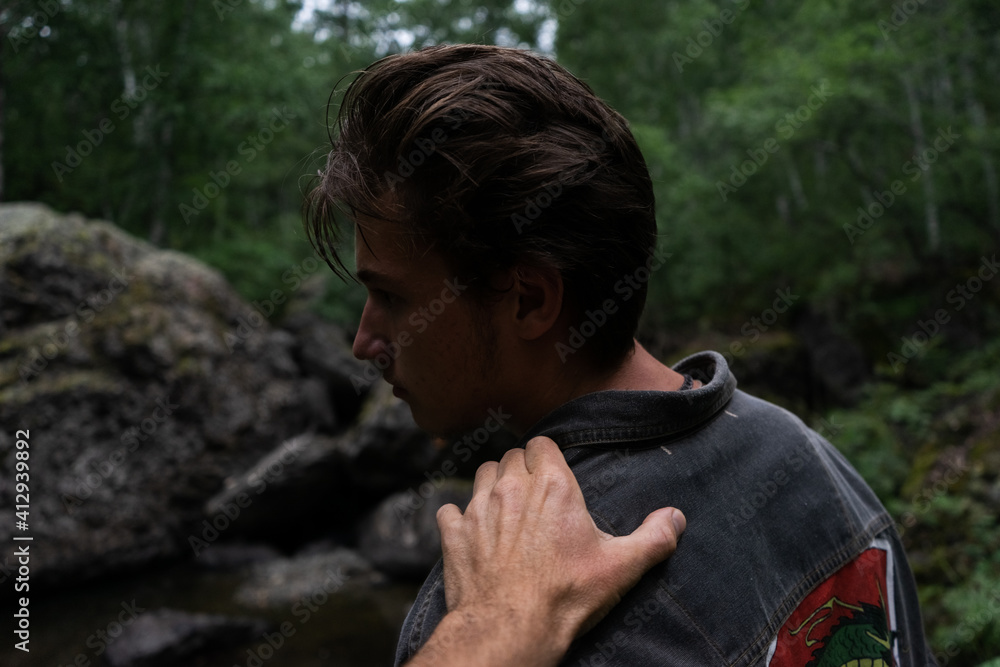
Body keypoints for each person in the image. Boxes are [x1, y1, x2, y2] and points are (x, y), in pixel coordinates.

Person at [305, 44, 936, 666]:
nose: (365, 342)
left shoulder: (496, 612)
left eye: (389, 295)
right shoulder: (811, 458)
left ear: (528, 300)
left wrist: (491, 625)